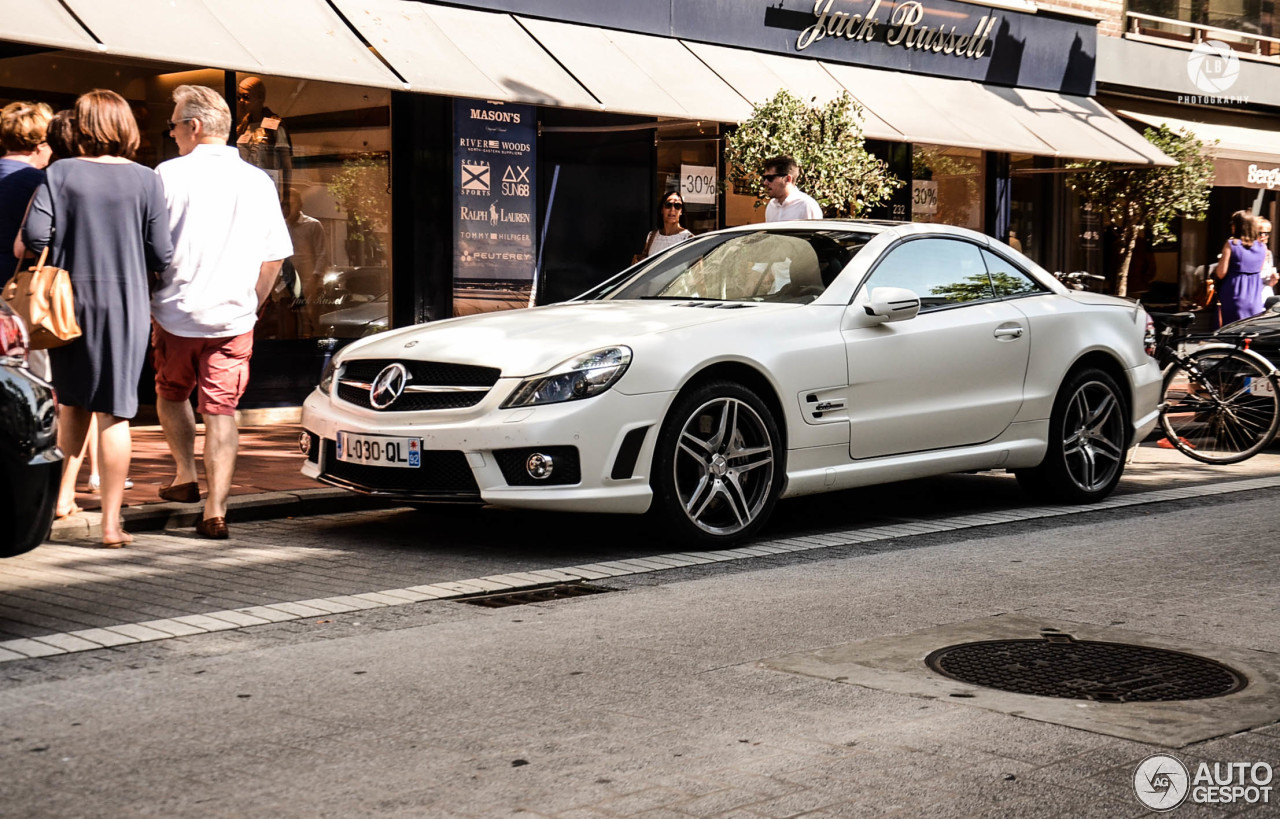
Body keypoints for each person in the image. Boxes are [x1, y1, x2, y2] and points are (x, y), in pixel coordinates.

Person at [20, 89, 173, 548]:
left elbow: (33, 236)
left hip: (69, 302)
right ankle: (109, 525)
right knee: (115, 412)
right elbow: (161, 252)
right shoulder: (147, 179)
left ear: (82, 126)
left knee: (72, 403)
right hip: (126, 304)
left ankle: (60, 503)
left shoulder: (61, 172)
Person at [152, 84, 293, 540]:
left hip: (175, 312)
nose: (172, 133)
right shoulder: (257, 181)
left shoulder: (166, 175)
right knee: (222, 410)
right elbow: (273, 257)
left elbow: (151, 248)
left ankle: (184, 476)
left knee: (171, 394)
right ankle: (215, 510)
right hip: (234, 318)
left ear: (192, 127)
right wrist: (252, 304)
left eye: (173, 125)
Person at [234, 76, 292, 194]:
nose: (241, 101)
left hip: (266, 185)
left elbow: (286, 164)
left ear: (260, 98)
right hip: (243, 186)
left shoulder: (275, 125)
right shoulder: (241, 128)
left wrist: (286, 197)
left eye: (246, 97)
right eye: (238, 97)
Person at [1215, 210, 1268, 326]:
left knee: (1232, 334)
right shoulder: (1262, 247)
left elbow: (1221, 273)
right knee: (1250, 334)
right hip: (1255, 297)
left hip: (1234, 295)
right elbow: (1260, 269)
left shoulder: (1231, 244)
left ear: (1237, 226)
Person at [762, 156, 822, 222]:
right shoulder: (772, 206)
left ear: (787, 179)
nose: (765, 183)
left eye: (770, 178)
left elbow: (813, 232)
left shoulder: (806, 205)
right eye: (764, 178)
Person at [639, 192, 694, 260]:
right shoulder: (652, 236)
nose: (672, 209)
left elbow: (697, 268)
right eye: (668, 205)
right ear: (662, 210)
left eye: (677, 206)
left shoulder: (688, 238)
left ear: (681, 211)